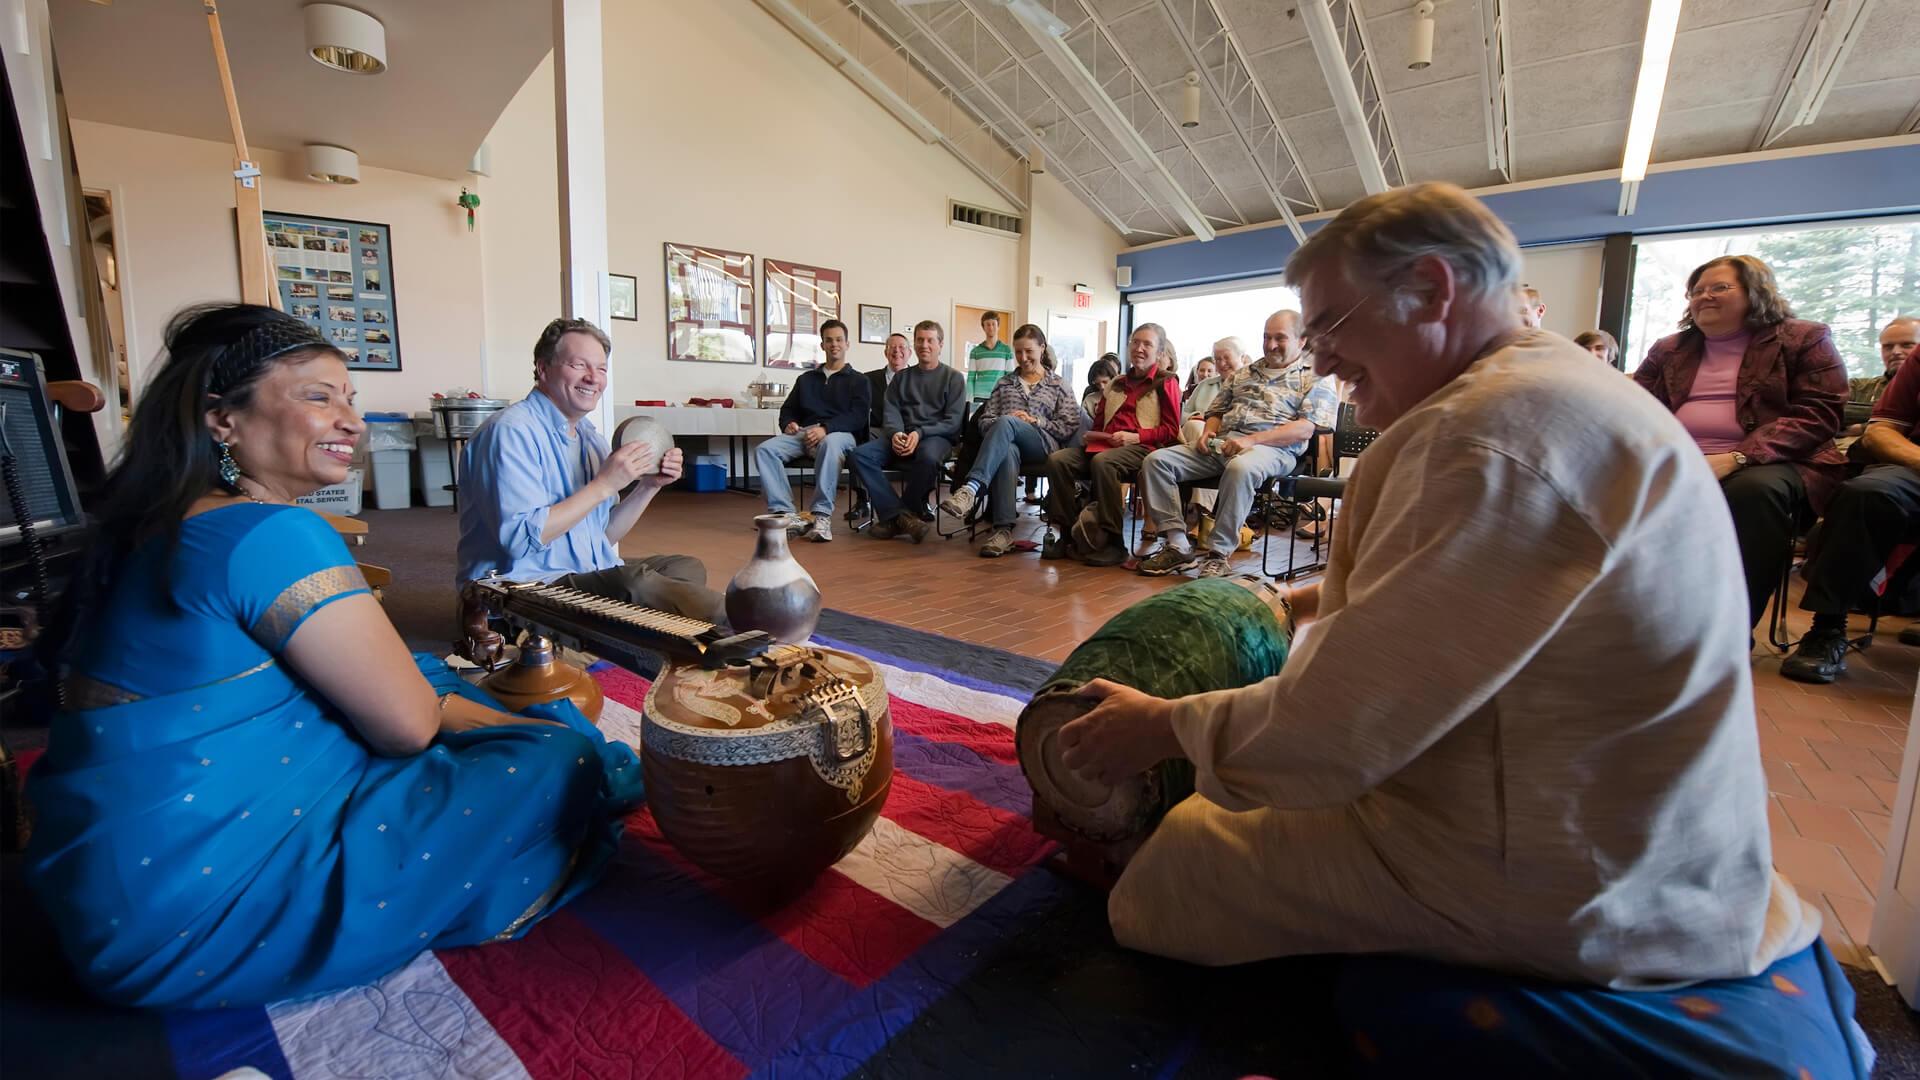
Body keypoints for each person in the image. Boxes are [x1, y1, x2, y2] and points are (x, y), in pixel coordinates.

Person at [1055, 182, 1818, 1005]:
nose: (1322, 360)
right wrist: (1297, 602)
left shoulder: (1487, 431)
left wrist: (1160, 726)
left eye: (1331, 327)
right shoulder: (1540, 389)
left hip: (1576, 879)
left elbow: (1335, 731)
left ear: (1430, 289)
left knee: (1174, 867)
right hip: (1645, 842)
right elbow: (1466, 585)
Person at [23, 304, 643, 1010]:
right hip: (191, 917)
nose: (352, 422)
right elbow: (409, 726)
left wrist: (642, 484)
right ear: (222, 419)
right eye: (319, 397)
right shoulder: (273, 534)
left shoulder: (163, 517)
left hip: (110, 890)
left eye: (350, 399)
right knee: (561, 758)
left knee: (432, 678)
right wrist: (513, 728)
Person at [458, 318, 725, 622]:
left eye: (601, 369)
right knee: (636, 584)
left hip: (581, 571)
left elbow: (602, 535)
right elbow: (519, 541)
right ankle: (737, 619)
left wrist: (649, 486)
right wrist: (603, 485)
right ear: (543, 368)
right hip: (521, 591)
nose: (593, 378)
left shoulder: (589, 438)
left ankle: (640, 627)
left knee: (684, 567)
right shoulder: (510, 432)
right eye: (578, 365)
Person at [1632, 255, 1846, 629]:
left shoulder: (1804, 338)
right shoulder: (1669, 349)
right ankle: (1639, 621)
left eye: (1720, 287)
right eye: (1697, 291)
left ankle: (1728, 631)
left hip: (1778, 461)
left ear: (1756, 293)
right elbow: (1633, 408)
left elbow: (1820, 413)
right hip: (1683, 457)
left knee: (1754, 492)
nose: (1704, 296)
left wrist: (1737, 457)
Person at [1137, 311, 1338, 579]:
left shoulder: (1315, 376)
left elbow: (1306, 428)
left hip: (1274, 449)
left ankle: (1218, 554)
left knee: (1240, 468)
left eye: (1279, 338)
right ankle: (1179, 546)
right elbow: (1217, 411)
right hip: (1225, 443)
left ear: (1301, 340)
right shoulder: (1244, 373)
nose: (1270, 345)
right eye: (1266, 337)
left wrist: (1250, 440)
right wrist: (1208, 432)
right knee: (1156, 462)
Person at [1782, 332, 1920, 682]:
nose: (1895, 351)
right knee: (1864, 493)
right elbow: (1882, 430)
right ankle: (1827, 629)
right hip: (1916, 466)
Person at [937, 324, 1084, 557]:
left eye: (1029, 351)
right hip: (1006, 447)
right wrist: (1003, 424)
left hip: (1043, 447)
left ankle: (971, 488)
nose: (1023, 358)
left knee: (1008, 422)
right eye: (1018, 352)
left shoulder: (1059, 385)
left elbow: (1069, 426)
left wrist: (1035, 421)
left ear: (1042, 348)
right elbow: (985, 421)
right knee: (1006, 447)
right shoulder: (1004, 383)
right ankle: (1003, 532)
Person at [1043, 325, 1181, 566]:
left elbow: (1170, 430)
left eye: (1147, 344)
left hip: (1144, 448)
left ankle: (1114, 543)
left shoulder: (1166, 382)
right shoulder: (1116, 382)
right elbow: (1100, 422)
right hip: (1106, 446)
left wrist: (1136, 437)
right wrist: (1094, 436)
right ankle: (1067, 535)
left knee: (1103, 462)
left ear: (1159, 352)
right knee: (1058, 460)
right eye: (1135, 342)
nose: (1139, 348)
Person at [850, 319, 967, 543]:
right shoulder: (901, 378)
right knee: (859, 455)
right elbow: (891, 412)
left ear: (940, 344)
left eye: (930, 340)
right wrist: (896, 433)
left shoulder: (953, 378)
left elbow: (952, 422)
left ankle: (896, 517)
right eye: (920, 340)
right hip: (902, 436)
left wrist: (920, 433)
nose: (925, 345)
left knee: (929, 457)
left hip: (936, 437)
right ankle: (903, 517)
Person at [753, 319, 870, 543]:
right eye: (829, 340)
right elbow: (788, 410)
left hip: (841, 435)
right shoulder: (806, 379)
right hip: (805, 434)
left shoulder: (859, 381)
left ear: (847, 344)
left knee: (830, 443)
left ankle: (821, 515)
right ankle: (787, 515)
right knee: (764, 450)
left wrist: (826, 429)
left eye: (839, 340)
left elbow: (858, 417)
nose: (834, 344)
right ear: (822, 345)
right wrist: (789, 423)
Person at [1181, 336, 1249, 443]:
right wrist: (1194, 416)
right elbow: (1182, 415)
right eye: (1217, 359)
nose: (1222, 364)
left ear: (1242, 358)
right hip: (1201, 435)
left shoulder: (1255, 385)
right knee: (1195, 426)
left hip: (1238, 440)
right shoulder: (1205, 385)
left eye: (1227, 358)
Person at [869, 331, 912, 439]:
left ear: (910, 352)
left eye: (902, 347)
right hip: (878, 433)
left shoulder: (920, 379)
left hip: (911, 434)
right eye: (892, 347)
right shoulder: (868, 379)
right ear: (885, 353)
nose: (897, 350)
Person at [967, 310, 1013, 400]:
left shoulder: (1007, 350)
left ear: (998, 326)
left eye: (993, 324)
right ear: (983, 327)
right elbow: (971, 378)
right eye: (988, 324)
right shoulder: (975, 351)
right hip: (979, 396)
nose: (991, 327)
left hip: (999, 397)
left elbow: (1010, 377)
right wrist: (969, 400)